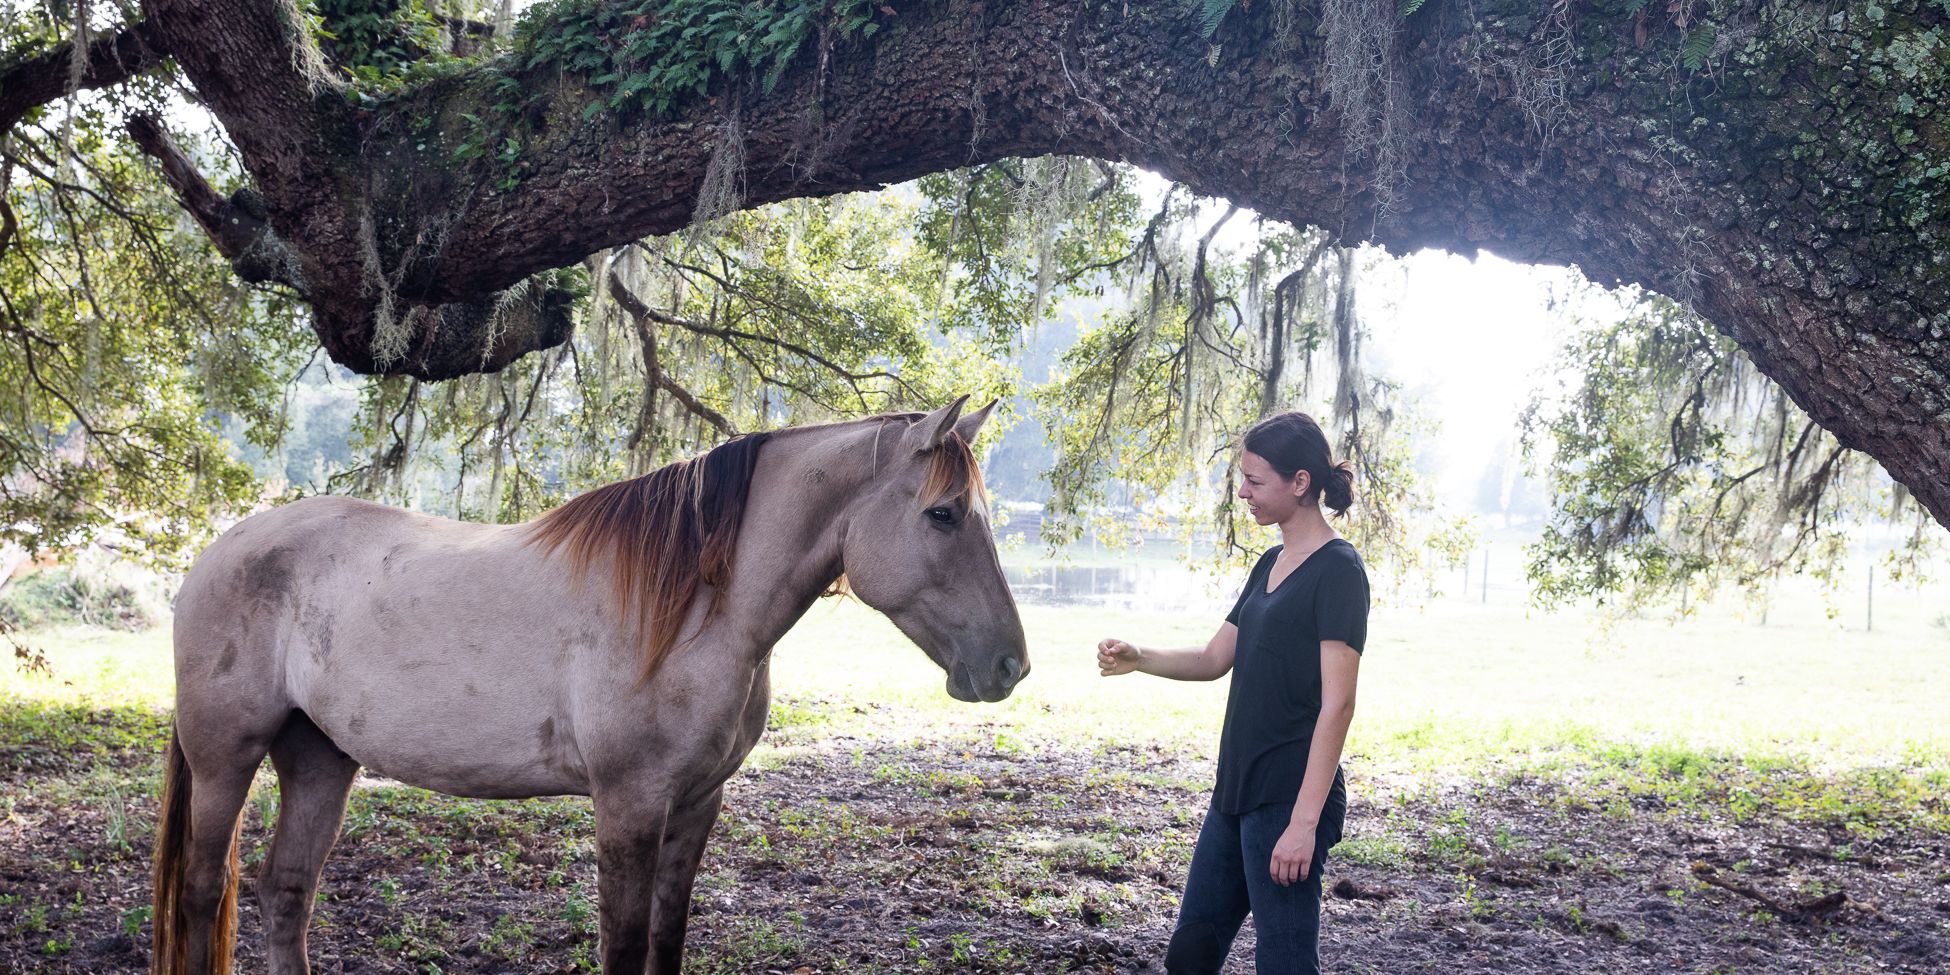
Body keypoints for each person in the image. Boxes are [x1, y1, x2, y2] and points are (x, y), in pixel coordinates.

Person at [1097, 411, 1369, 975]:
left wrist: (1303, 824)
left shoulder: (1339, 570)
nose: (1243, 492)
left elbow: (1338, 703)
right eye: (1242, 479)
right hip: (1236, 791)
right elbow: (1214, 658)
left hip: (1288, 798)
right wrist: (1139, 657)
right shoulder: (1269, 563)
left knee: (1285, 963)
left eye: (1255, 481)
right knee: (1191, 954)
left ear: (1300, 483)